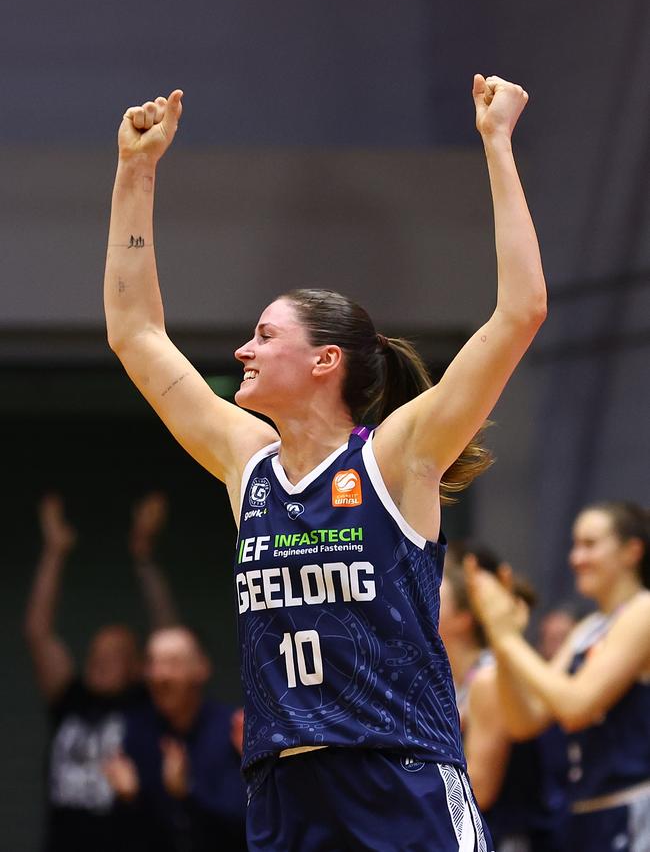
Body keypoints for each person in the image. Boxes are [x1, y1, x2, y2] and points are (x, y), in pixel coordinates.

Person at [104, 73, 546, 850]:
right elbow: (135, 334)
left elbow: (521, 311)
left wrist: (498, 143)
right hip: (282, 793)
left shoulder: (400, 456)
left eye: (266, 336)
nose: (242, 348)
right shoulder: (251, 464)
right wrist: (134, 172)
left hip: (397, 779)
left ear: (325, 360)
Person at [466, 502, 650, 851]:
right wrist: (503, 644)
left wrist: (506, 637)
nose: (576, 557)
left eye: (590, 544)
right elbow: (526, 721)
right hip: (584, 816)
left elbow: (576, 706)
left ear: (632, 551)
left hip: (634, 808)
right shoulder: (589, 628)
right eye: (574, 545)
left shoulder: (644, 611)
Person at [24, 492, 176, 852]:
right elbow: (38, 632)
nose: (99, 660)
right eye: (96, 653)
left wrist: (143, 557)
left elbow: (169, 636)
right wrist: (55, 550)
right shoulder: (71, 699)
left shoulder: (146, 705)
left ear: (140, 666)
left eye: (114, 654)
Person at [440, 546, 567, 851]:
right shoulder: (457, 681)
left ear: (464, 618)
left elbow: (479, 791)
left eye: (433, 594)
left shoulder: (488, 678)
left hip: (512, 839)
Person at [104, 626, 247, 851]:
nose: (160, 675)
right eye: (152, 663)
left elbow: (244, 825)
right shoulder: (138, 732)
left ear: (201, 668)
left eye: (173, 663)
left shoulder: (232, 729)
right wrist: (130, 799)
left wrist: (187, 793)